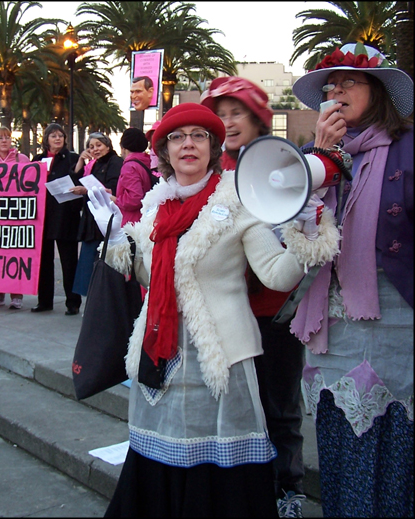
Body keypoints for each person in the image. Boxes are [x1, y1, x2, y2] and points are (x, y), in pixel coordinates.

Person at [85, 103, 339, 517]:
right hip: (162, 361)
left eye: (199, 136)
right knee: (161, 460)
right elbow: (150, 274)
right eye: (177, 137)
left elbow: (277, 274)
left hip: (221, 362)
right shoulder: (155, 207)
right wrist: (115, 240)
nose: (188, 144)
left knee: (219, 474)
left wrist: (306, 230)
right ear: (165, 152)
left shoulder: (238, 202)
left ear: (213, 148)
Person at [290, 43, 413, 518]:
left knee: (394, 446)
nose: (336, 92)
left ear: (376, 91)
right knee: (342, 441)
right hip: (333, 326)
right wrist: (321, 159)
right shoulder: (310, 156)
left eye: (348, 82)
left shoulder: (407, 146)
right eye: (330, 86)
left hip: (397, 319)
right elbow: (293, 232)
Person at [201, 76, 307, 517]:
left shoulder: (281, 162)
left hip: (274, 312)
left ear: (258, 118)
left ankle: (287, 489)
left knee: (279, 405)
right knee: (235, 406)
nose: (228, 122)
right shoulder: (209, 169)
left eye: (236, 113)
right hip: (227, 312)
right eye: (220, 115)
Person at [30, 123, 83, 315]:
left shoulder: (73, 158)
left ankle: (73, 302)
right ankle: (44, 301)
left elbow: (79, 180)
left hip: (65, 215)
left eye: (60, 135)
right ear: (46, 139)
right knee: (43, 261)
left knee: (69, 261)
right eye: (53, 136)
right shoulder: (37, 160)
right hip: (42, 216)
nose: (58, 138)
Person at [0, 127, 30, 310]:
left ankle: (16, 295)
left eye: (7, 137)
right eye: (0, 138)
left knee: (15, 256)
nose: (4, 141)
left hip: (16, 216)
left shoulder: (22, 160)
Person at [71, 132, 123, 297]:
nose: (95, 150)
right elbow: (76, 180)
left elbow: (113, 188)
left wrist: (87, 190)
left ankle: (101, 300)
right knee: (88, 264)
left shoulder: (115, 162)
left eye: (98, 145)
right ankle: (91, 299)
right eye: (91, 147)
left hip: (105, 221)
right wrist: (81, 161)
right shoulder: (92, 164)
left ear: (108, 145)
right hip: (91, 221)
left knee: (102, 264)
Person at [114, 127, 153, 227]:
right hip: (147, 217)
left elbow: (134, 199)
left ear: (123, 147)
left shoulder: (129, 166)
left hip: (132, 222)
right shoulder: (148, 161)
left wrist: (116, 200)